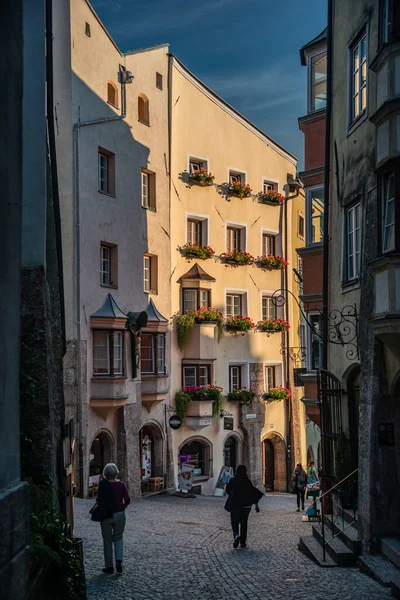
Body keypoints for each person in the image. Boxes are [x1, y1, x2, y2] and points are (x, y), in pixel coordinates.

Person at [96, 463, 131, 574]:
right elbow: (127, 499)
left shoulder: (102, 484)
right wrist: (122, 507)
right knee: (118, 538)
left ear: (105, 473)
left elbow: (99, 500)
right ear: (116, 473)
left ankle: (109, 566)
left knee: (107, 541)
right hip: (119, 514)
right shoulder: (121, 485)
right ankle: (119, 562)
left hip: (106, 514)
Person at [225, 464, 263, 549]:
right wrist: (256, 505)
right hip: (246, 507)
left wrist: (232, 494)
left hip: (235, 505)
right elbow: (252, 494)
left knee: (234, 522)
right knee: (244, 523)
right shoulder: (247, 482)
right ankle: (242, 542)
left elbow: (227, 490)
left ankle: (236, 535)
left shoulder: (232, 480)